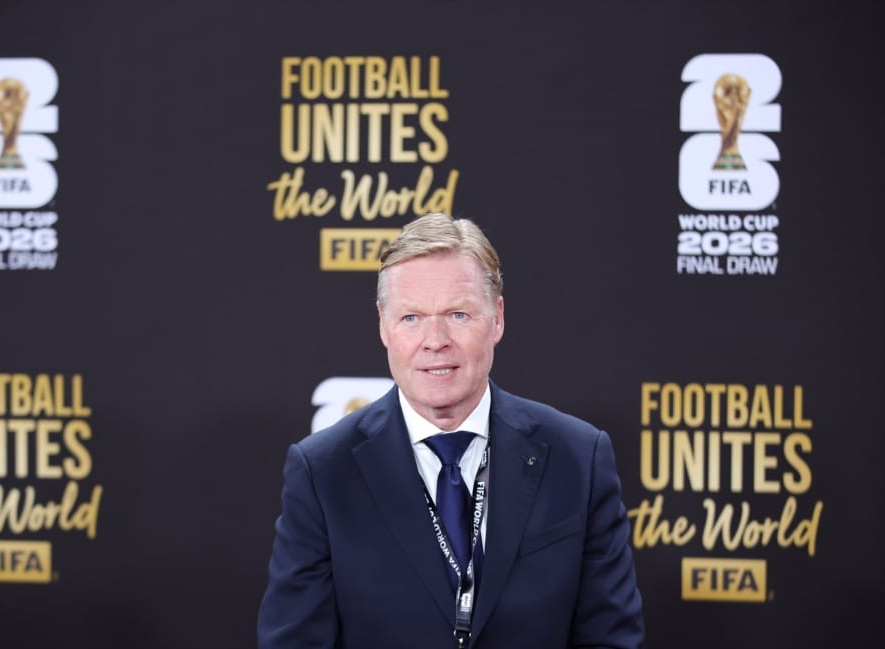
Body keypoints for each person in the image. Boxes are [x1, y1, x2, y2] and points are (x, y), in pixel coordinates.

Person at [257, 213, 644, 648]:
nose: (435, 339)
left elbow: (611, 638)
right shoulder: (322, 472)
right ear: (384, 325)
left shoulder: (579, 458)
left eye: (458, 314)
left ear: (496, 319)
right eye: (411, 318)